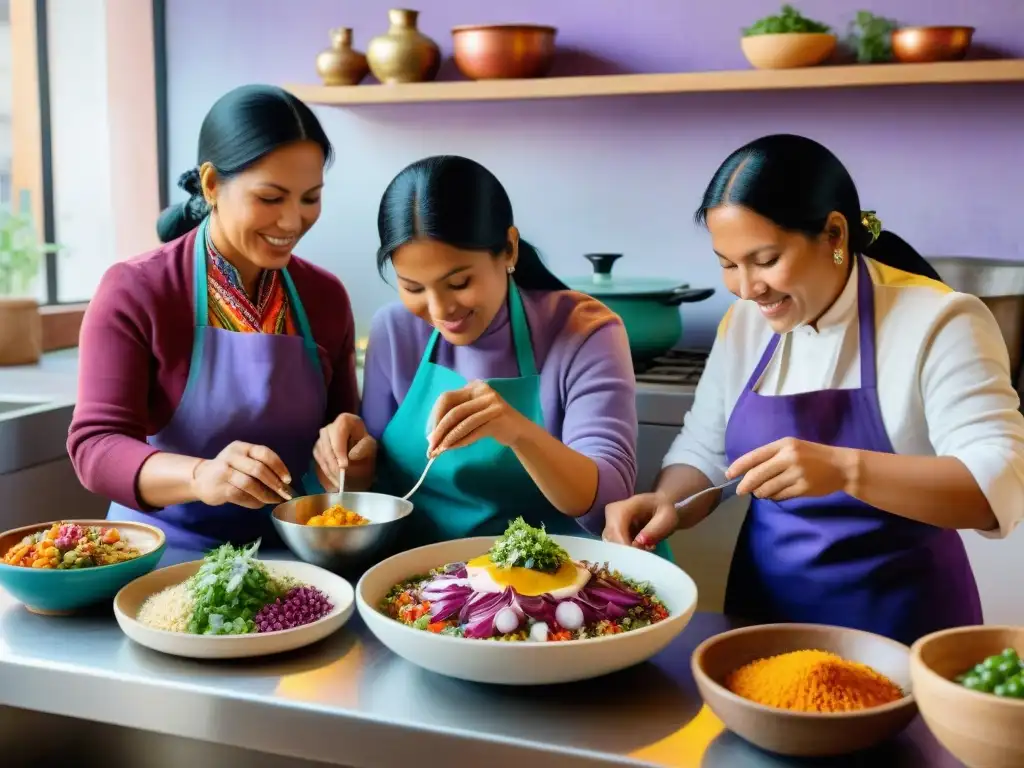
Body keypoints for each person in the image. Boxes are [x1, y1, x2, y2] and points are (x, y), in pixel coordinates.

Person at [603, 134, 1024, 644]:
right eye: (728, 263)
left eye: (765, 259)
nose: (747, 287)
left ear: (834, 234)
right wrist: (668, 501)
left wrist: (844, 469)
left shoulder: (940, 320)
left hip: (903, 626)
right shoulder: (747, 322)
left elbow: (994, 486)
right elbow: (705, 447)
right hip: (765, 621)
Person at [68, 84, 373, 552]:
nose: (293, 222)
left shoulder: (325, 296)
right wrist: (201, 475)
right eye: (271, 198)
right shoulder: (136, 290)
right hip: (160, 553)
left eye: (310, 198)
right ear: (211, 184)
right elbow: (96, 447)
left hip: (293, 555)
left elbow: (341, 430)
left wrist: (350, 447)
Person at [349, 154, 665, 553]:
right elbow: (381, 487)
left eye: (459, 282)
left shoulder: (586, 331)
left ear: (509, 250)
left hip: (564, 583)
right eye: (413, 288)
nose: (440, 309)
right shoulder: (394, 330)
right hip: (426, 582)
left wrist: (518, 431)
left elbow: (607, 502)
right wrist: (353, 461)